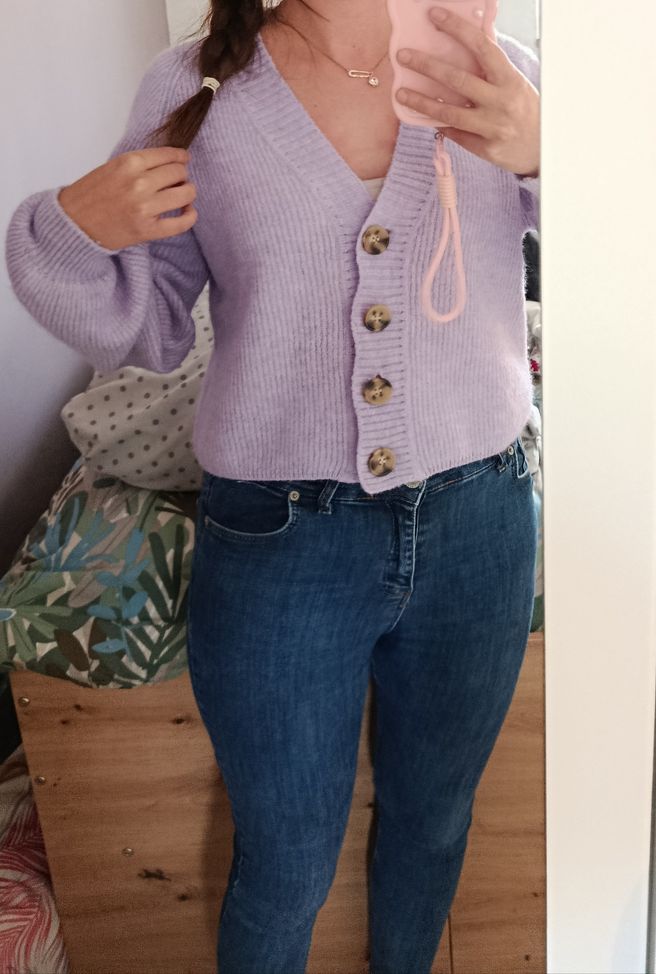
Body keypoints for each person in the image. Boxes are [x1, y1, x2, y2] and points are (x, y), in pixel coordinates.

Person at [5, 0, 541, 970]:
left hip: (482, 519)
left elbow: (638, 260)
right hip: (281, 543)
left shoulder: (498, 72)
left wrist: (550, 155)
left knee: (433, 823)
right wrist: (70, 233)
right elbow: (152, 325)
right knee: (284, 864)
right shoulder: (196, 91)